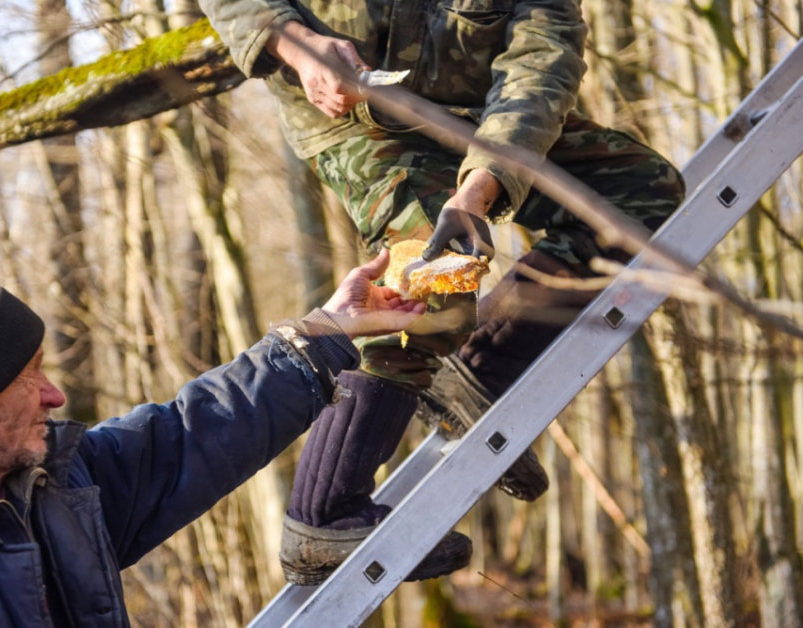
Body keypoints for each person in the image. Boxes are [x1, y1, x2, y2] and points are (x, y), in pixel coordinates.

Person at [199, 0, 687, 586]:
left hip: (478, 114)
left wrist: (479, 189)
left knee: (639, 193)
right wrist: (292, 41)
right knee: (432, 285)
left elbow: (541, 60)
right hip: (358, 123)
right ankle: (323, 515)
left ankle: (478, 368)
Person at [0, 251, 473, 626]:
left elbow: (196, 430)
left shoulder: (58, 482)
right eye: (30, 377)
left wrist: (325, 331)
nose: (55, 396)